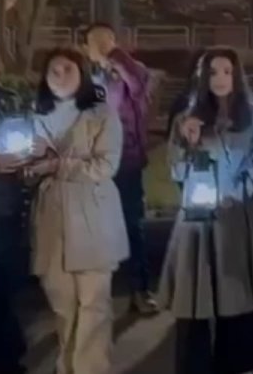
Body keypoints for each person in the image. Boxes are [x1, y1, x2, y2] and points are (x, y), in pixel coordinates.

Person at [159, 48, 253, 374]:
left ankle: (237, 363)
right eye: (213, 72)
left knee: (237, 298)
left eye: (227, 71)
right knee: (194, 301)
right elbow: (176, 171)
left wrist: (235, 194)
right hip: (197, 221)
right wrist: (189, 143)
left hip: (236, 218)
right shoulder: (187, 119)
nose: (220, 79)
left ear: (236, 75)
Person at [27, 48, 129, 374]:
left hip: (92, 216)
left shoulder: (102, 114)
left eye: (67, 69)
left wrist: (58, 165)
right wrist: (26, 165)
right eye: (53, 71)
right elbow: (26, 167)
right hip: (52, 218)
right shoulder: (34, 115)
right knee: (63, 306)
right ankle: (67, 366)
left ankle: (91, 368)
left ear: (81, 73)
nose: (60, 76)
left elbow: (106, 165)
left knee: (94, 305)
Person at [83, 22, 157, 315]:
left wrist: (114, 54)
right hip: (91, 163)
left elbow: (138, 85)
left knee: (131, 224)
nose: (99, 46)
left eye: (106, 40)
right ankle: (95, 295)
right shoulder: (86, 77)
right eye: (93, 42)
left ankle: (139, 289)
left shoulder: (129, 72)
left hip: (126, 160)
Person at [0, 46, 28, 374]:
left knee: (5, 283)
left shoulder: (8, 97)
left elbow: (22, 134)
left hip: (4, 203)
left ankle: (8, 357)